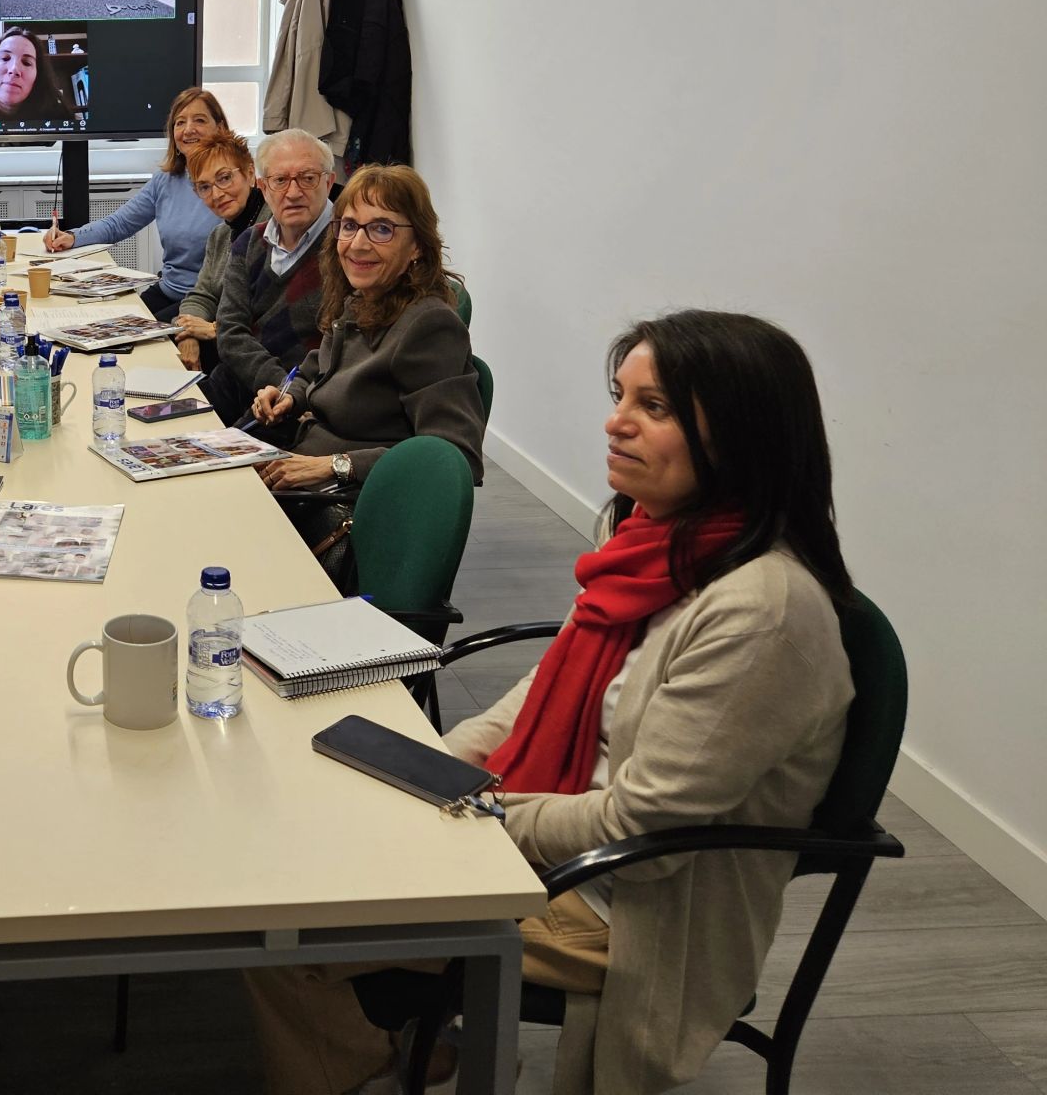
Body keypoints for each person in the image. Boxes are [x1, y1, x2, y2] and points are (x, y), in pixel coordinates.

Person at [246, 310, 858, 1095]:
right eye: (620, 396)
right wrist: (440, 767)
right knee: (292, 861)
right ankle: (405, 1058)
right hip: (550, 836)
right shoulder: (650, 539)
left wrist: (471, 814)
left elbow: (643, 823)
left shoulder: (763, 613)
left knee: (289, 923)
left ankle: (377, 1063)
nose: (616, 422)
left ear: (743, 436)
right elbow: (544, 688)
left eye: (655, 407)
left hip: (628, 903)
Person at [249, 164, 485, 492]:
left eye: (382, 229)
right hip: (299, 465)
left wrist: (336, 465)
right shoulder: (360, 299)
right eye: (349, 226)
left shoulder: (430, 326)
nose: (357, 244)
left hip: (346, 501)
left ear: (416, 245)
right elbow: (316, 370)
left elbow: (456, 457)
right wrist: (290, 397)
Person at [45, 88, 233, 319]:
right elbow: (119, 224)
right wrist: (73, 237)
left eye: (200, 120)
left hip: (210, 302)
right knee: (107, 325)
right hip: (168, 290)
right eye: (179, 122)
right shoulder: (165, 180)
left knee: (142, 343)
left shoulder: (233, 183)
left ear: (220, 127)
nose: (188, 130)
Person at [206, 129, 338, 423]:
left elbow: (340, 348)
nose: (293, 193)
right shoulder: (250, 242)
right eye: (280, 181)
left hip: (303, 406)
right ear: (263, 187)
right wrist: (279, 386)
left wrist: (289, 395)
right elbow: (230, 332)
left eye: (308, 178)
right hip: (241, 386)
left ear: (328, 182)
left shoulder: (348, 247)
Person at [172, 130, 268, 372]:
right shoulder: (220, 235)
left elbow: (265, 314)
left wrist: (214, 329)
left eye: (224, 178)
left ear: (249, 173)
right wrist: (188, 336)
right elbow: (202, 295)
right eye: (204, 187)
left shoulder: (274, 228)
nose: (216, 194)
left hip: (254, 353)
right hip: (222, 341)